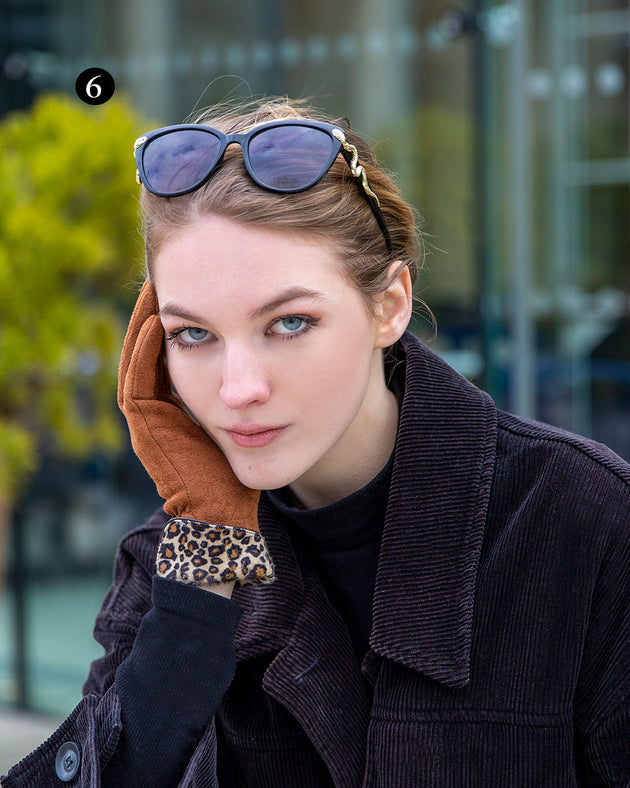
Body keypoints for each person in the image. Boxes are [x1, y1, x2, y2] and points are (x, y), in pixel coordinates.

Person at [3, 96, 629, 787]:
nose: (238, 388)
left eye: (290, 323)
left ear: (389, 305)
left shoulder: (583, 522)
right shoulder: (175, 557)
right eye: (194, 334)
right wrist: (207, 559)